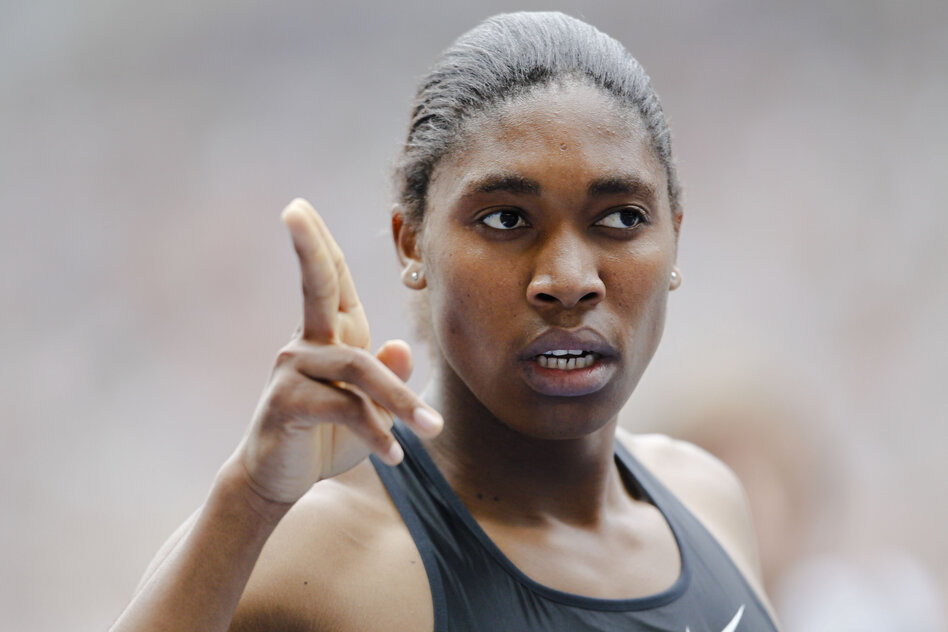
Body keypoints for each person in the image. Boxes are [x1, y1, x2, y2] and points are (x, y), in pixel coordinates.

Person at [111, 12, 780, 632]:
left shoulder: (708, 499)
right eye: (506, 219)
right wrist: (251, 497)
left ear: (674, 236)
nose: (569, 280)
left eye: (622, 217)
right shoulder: (329, 556)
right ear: (412, 244)